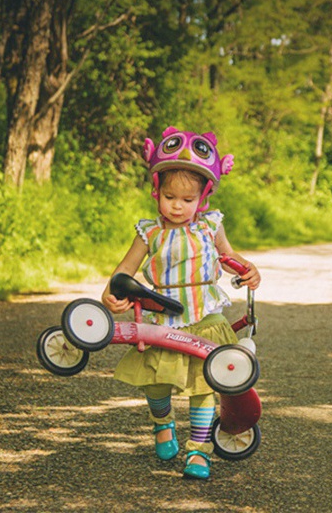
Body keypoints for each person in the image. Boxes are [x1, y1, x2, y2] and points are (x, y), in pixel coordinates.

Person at [101, 127, 261, 480]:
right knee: (155, 383)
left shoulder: (210, 226)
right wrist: (112, 296)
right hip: (161, 320)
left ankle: (199, 451)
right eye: (170, 196)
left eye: (187, 200)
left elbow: (230, 257)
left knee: (204, 385)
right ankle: (162, 423)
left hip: (204, 318)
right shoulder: (150, 233)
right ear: (157, 191)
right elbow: (124, 271)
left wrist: (249, 270)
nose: (177, 206)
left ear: (202, 198)